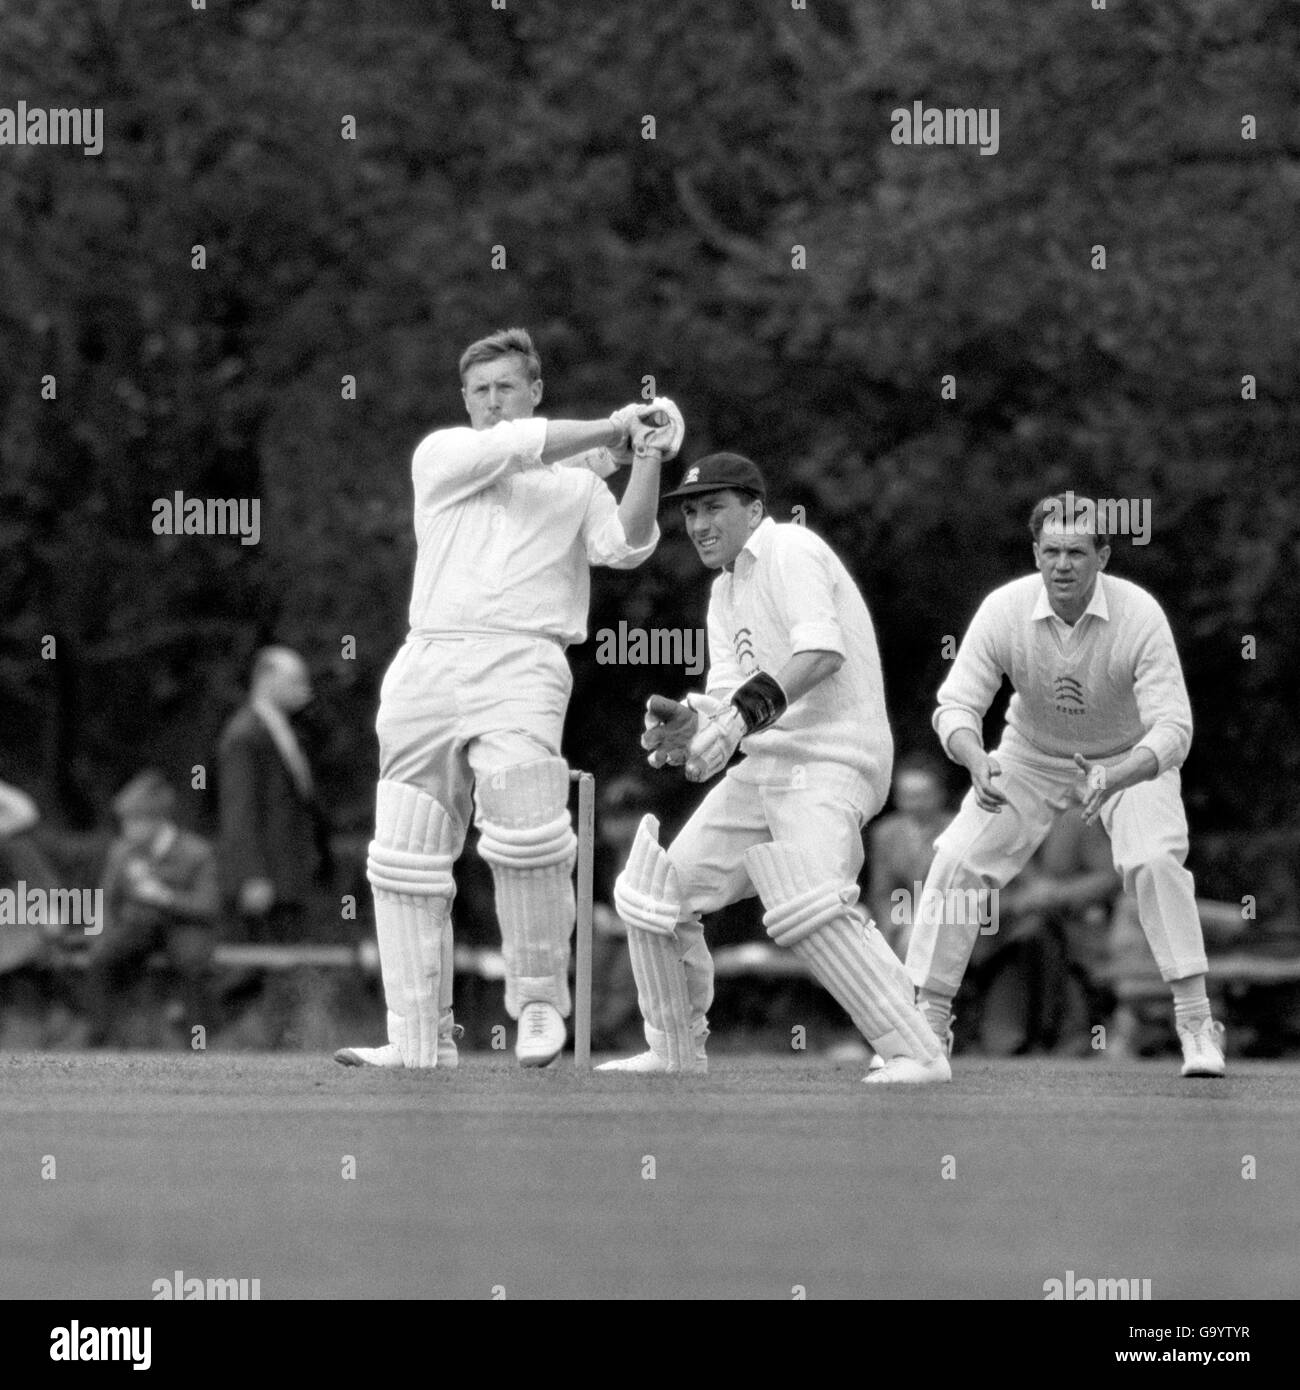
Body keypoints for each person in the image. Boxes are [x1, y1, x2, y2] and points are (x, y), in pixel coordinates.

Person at [335, 326, 680, 1070]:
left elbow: (628, 544)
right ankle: (417, 1036)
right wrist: (619, 428)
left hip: (524, 658)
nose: (492, 402)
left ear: (535, 390)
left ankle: (535, 1005)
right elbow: (518, 447)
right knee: (404, 853)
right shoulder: (443, 456)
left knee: (525, 822)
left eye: (506, 388)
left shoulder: (579, 483)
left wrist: (642, 457)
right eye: (480, 391)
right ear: (465, 399)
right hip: (430, 656)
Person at [598, 452, 950, 1084]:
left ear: (755, 509)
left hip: (834, 759)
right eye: (691, 513)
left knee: (810, 902)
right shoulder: (724, 591)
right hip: (767, 765)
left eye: (715, 508)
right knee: (654, 894)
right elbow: (731, 698)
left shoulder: (790, 548)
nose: (700, 524)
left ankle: (917, 1052)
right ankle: (674, 1049)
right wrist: (695, 726)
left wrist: (735, 719)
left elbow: (821, 652)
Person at [904, 492, 1226, 1077]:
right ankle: (927, 1028)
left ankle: (1197, 1023)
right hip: (1028, 755)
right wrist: (975, 758)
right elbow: (955, 705)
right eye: (1051, 551)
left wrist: (1120, 772)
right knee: (956, 858)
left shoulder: (1140, 613)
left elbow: (1175, 728)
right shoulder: (1004, 609)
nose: (1062, 565)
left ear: (1102, 555)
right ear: (1035, 553)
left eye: (1077, 552)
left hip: (1129, 759)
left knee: (1154, 861)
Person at [84, 770, 219, 1047]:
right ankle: (101, 1040)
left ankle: (198, 1042)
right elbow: (107, 900)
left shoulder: (196, 851)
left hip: (185, 929)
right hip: (139, 928)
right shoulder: (122, 852)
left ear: (157, 821)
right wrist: (101, 937)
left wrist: (165, 897)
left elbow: (209, 905)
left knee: (192, 965)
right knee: (102, 960)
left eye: (133, 822)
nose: (126, 830)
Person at [216, 646, 329, 944]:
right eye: (295, 681)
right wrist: (252, 875)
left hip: (292, 876)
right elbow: (240, 810)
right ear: (265, 679)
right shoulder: (244, 734)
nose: (304, 690)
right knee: (267, 968)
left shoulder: (287, 729)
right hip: (269, 881)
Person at [867, 753, 953, 959]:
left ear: (940, 794)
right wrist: (894, 923)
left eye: (922, 796)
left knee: (913, 939)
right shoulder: (885, 832)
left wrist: (919, 921)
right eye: (907, 796)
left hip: (949, 916)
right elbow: (881, 890)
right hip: (899, 919)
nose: (914, 804)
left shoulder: (956, 830)